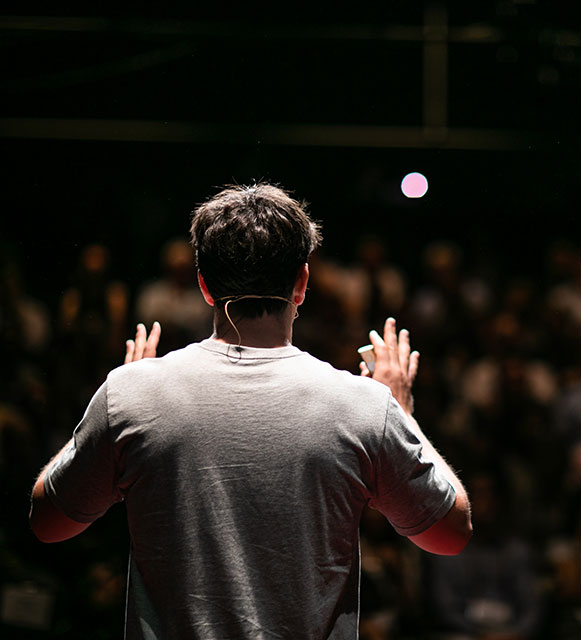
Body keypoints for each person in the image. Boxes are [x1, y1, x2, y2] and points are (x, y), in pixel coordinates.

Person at [28, 183, 472, 639]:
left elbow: (48, 523)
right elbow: (450, 533)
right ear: (301, 283)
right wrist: (402, 412)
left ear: (204, 284)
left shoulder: (132, 393)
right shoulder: (363, 404)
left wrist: (120, 402)